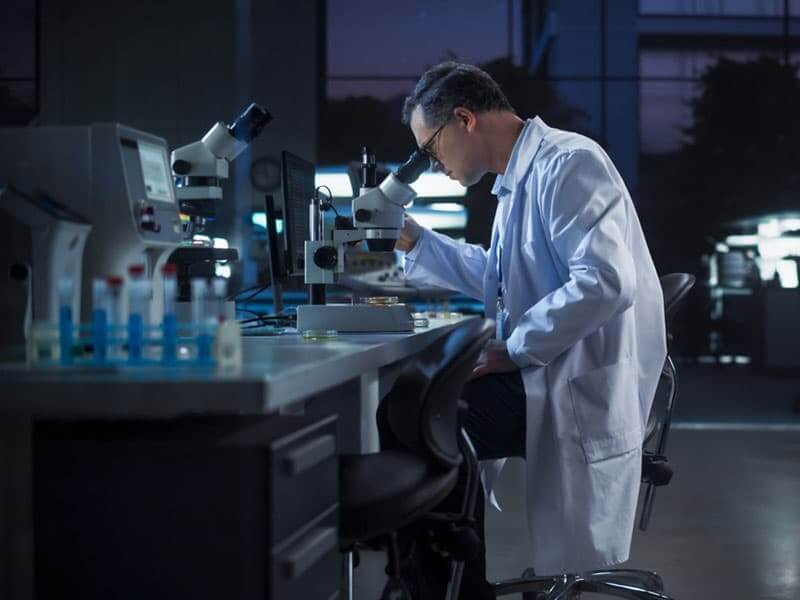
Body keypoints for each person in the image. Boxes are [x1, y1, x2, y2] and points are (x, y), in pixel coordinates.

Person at [389, 61, 667, 598]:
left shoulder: (568, 163)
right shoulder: (518, 184)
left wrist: (514, 349)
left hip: (576, 383)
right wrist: (417, 242)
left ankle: (451, 590)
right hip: (553, 370)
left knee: (432, 424)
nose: (431, 164)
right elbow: (498, 277)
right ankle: (445, 584)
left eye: (429, 149)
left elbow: (607, 281)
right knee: (427, 416)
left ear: (464, 119)